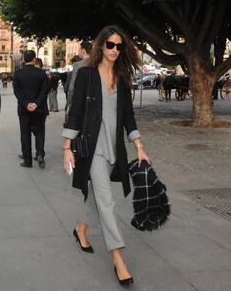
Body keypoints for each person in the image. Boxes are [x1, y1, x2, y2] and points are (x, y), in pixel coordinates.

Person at [62, 25, 150, 286]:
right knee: (107, 201)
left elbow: (128, 117)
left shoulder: (122, 77)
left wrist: (139, 146)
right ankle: (118, 258)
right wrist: (67, 147)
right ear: (101, 45)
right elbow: (75, 111)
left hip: (115, 147)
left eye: (119, 46)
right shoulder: (87, 74)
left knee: (97, 198)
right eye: (110, 45)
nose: (114, 50)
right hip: (92, 147)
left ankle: (80, 229)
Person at [13, 51, 49, 168]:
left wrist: (26, 104)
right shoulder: (42, 73)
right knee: (39, 132)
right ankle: (40, 154)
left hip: (24, 109)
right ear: (34, 59)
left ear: (24, 59)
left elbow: (17, 92)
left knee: (25, 134)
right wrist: (36, 104)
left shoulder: (18, 74)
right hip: (38, 109)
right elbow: (44, 91)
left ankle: (27, 161)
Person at [66, 41, 93, 111]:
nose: (78, 52)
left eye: (79, 49)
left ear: (83, 50)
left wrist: (69, 103)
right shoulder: (97, 63)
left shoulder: (78, 65)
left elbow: (72, 86)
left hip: (80, 100)